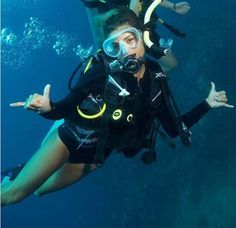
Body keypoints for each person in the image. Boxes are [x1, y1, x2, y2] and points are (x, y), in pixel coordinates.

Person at [1, 7, 233, 207]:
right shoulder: (101, 72)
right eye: (115, 45)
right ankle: (29, 167)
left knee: (40, 191)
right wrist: (47, 108)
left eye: (130, 39)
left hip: (94, 158)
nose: (125, 51)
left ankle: (21, 171)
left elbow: (174, 128)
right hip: (70, 136)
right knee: (13, 196)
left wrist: (207, 104)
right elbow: (63, 107)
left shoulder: (156, 79)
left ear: (142, 37)